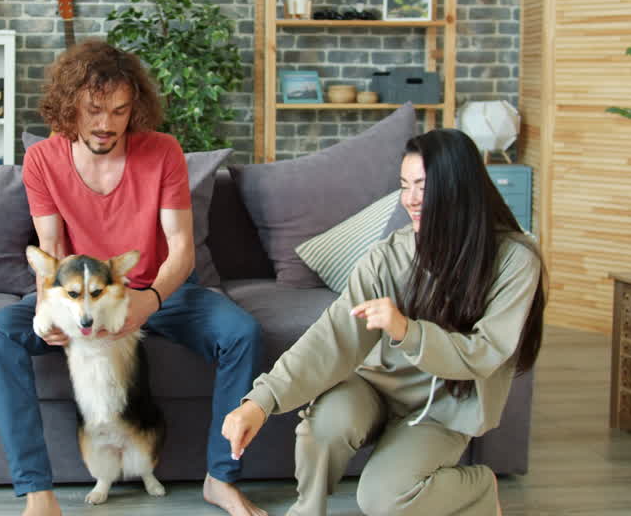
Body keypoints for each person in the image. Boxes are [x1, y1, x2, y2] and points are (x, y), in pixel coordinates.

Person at [0, 40, 268, 516]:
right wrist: (45, 310)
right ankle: (38, 494)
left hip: (160, 293)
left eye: (118, 110)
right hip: (80, 298)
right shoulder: (43, 160)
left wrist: (148, 301)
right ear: (70, 104)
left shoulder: (163, 151)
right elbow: (50, 250)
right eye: (94, 110)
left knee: (242, 333)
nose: (106, 124)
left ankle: (221, 479)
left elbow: (181, 248)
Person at [221, 128, 546, 516]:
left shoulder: (515, 260)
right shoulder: (389, 256)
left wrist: (406, 330)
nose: (410, 200)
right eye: (404, 185)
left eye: (423, 186)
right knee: (323, 426)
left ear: (459, 188)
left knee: (382, 500)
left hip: (443, 406)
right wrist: (260, 402)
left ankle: (477, 489)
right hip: (373, 387)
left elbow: (485, 353)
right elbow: (332, 336)